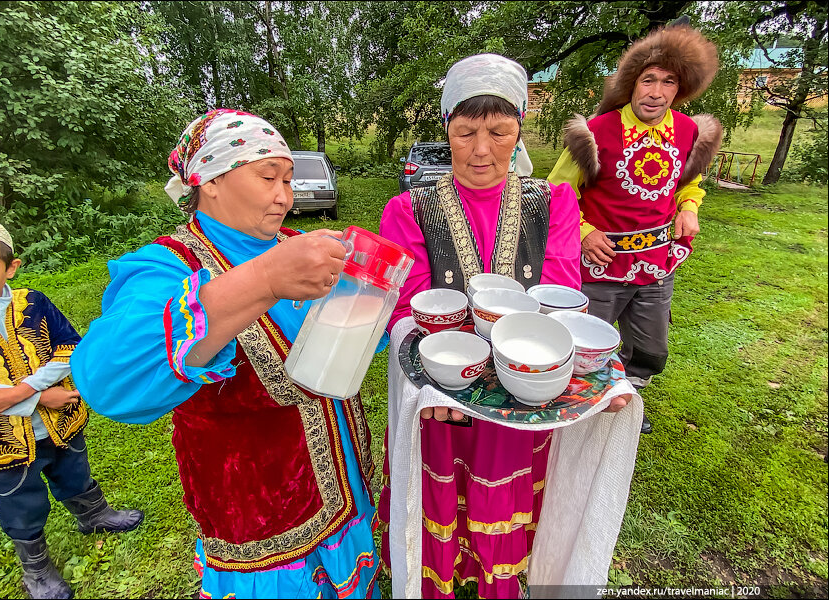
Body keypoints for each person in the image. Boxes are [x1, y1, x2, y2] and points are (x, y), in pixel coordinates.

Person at [70, 109, 380, 599]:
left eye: (289, 178)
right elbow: (108, 381)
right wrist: (263, 279)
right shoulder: (166, 266)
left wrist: (370, 294)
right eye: (267, 177)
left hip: (341, 483)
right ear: (208, 181)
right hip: (256, 509)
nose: (285, 196)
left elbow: (354, 339)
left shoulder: (298, 245)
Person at [375, 54, 635, 599]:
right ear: (446, 128)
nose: (481, 150)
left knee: (508, 497)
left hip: (524, 393)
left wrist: (597, 376)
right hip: (447, 393)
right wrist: (429, 380)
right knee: (445, 486)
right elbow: (405, 312)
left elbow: (563, 297)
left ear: (519, 129)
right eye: (465, 132)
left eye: (499, 132)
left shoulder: (554, 202)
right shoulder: (409, 209)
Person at [0, 215, 143, 600]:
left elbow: (70, 348)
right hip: (2, 440)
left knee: (75, 472)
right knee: (20, 503)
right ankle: (37, 569)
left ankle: (93, 515)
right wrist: (39, 396)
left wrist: (20, 389)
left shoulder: (34, 303)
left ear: (10, 267)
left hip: (62, 422)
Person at [548, 24, 723, 434]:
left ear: (681, 88)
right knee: (583, 341)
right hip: (602, 260)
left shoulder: (687, 132)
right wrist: (585, 231)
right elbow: (557, 192)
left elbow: (688, 181)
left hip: (659, 259)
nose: (656, 92)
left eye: (668, 82)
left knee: (650, 345)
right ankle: (577, 403)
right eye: (648, 80)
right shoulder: (596, 132)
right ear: (632, 82)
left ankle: (631, 393)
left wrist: (690, 207)